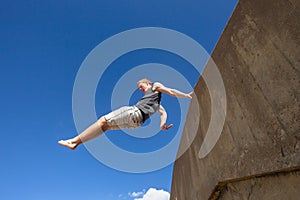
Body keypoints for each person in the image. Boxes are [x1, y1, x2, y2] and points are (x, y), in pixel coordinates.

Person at [58, 78, 193, 150]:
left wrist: (186, 95)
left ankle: (74, 140)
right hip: (136, 124)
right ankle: (76, 143)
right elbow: (163, 114)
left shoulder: (155, 85)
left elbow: (170, 91)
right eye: (140, 88)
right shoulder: (157, 104)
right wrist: (162, 126)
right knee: (104, 127)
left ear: (148, 83)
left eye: (142, 86)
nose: (141, 89)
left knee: (101, 120)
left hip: (134, 113)